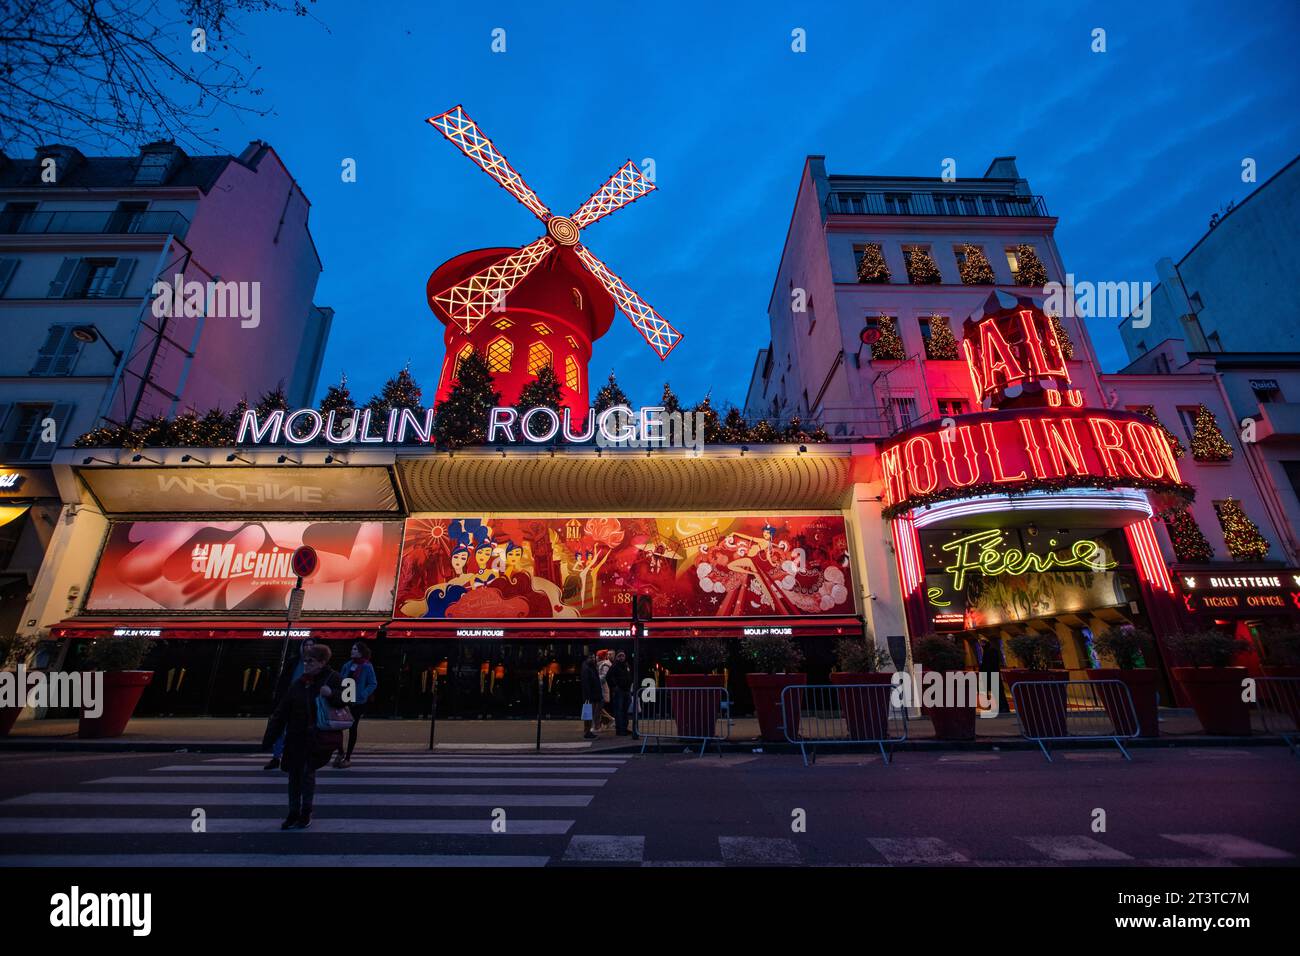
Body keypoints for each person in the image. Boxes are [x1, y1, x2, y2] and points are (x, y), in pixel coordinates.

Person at [261, 644, 343, 830]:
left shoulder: (333, 678)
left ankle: (305, 810)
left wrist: (332, 694)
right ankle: (292, 811)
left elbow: (349, 697)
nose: (306, 664)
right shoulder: (298, 683)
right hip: (296, 736)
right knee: (293, 775)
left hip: (316, 737)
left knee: (306, 774)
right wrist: (270, 737)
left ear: (322, 662)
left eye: (311, 661)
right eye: (305, 660)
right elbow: (282, 712)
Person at [264, 637, 315, 770]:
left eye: (311, 645)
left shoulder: (316, 664)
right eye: (306, 645)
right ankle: (276, 757)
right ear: (302, 647)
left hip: (305, 702)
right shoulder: (293, 661)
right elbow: (283, 681)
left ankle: (292, 756)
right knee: (281, 728)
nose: (308, 647)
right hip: (289, 699)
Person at [334, 641, 378, 768]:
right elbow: (340, 679)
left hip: (357, 701)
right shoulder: (348, 665)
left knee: (352, 728)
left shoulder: (367, 666)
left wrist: (363, 694)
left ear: (360, 652)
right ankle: (340, 752)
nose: (351, 651)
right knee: (338, 727)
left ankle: (347, 756)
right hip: (345, 699)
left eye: (354, 649)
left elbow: (373, 683)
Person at [607, 651, 632, 736]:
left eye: (623, 656)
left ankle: (624, 728)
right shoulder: (614, 666)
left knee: (625, 711)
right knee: (619, 711)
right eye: (620, 656)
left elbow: (629, 676)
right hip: (620, 691)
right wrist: (614, 687)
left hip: (626, 690)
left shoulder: (626, 665)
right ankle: (620, 730)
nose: (622, 657)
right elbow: (608, 677)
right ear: (617, 657)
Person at [580, 651, 602, 740]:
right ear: (587, 658)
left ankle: (588, 731)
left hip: (592, 695)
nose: (593, 659)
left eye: (593, 657)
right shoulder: (587, 668)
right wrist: (587, 696)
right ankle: (587, 731)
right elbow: (586, 683)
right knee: (589, 714)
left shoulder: (590, 667)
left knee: (589, 714)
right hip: (590, 696)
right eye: (591, 657)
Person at [596, 649, 615, 730]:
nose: (596, 657)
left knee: (598, 708)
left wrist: (595, 680)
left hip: (602, 689)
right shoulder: (602, 664)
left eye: (597, 656)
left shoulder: (604, 665)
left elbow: (604, 677)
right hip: (601, 688)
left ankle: (611, 720)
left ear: (600, 657)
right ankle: (604, 723)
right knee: (599, 708)